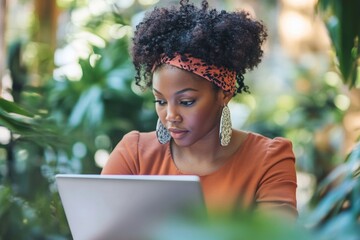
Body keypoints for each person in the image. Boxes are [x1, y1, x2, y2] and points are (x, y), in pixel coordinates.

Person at [102, 0, 297, 218]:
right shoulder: (134, 154)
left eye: (186, 102)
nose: (171, 116)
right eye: (161, 101)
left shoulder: (268, 160)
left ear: (224, 94)